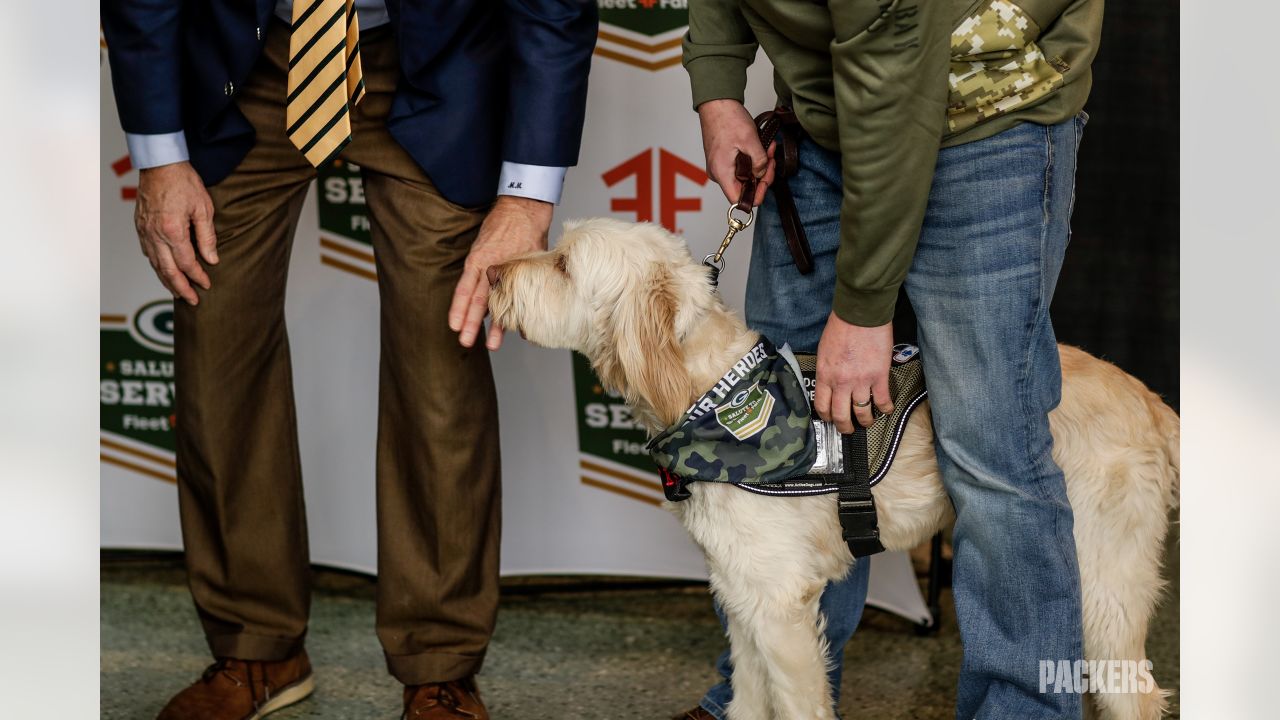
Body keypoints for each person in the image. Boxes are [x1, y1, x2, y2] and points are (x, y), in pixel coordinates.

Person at [101, 2, 596, 718]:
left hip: (435, 55)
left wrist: (525, 199)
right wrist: (160, 154)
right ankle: (255, 647)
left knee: (441, 363)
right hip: (250, 56)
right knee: (218, 348)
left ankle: (440, 663)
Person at [677, 1, 1100, 718]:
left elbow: (894, 95)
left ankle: (1022, 709)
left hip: (985, 119)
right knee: (784, 445)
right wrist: (719, 93)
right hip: (830, 117)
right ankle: (762, 701)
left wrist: (863, 308)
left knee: (991, 450)